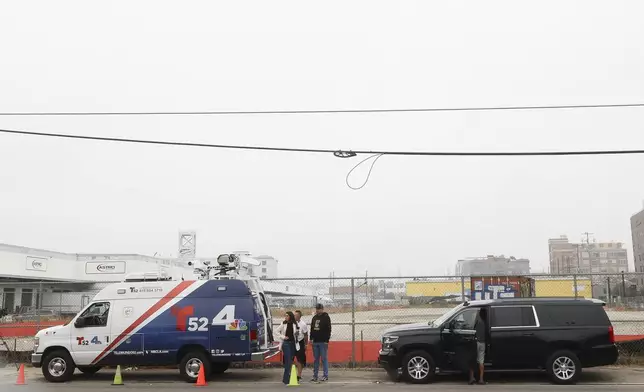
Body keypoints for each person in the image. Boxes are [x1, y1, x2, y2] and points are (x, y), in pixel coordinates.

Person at [276, 311, 301, 385]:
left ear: (290, 316)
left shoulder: (295, 324)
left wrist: (297, 334)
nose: (285, 317)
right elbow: (276, 331)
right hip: (286, 344)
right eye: (285, 316)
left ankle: (287, 378)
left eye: (287, 316)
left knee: (290, 360)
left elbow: (297, 335)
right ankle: (286, 380)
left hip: (293, 344)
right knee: (288, 361)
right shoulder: (283, 324)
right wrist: (283, 337)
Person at [309, 303, 331, 382]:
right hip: (315, 341)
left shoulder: (326, 317)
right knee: (316, 359)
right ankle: (315, 375)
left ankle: (325, 375)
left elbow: (329, 329)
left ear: (322, 309)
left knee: (324, 359)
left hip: (323, 342)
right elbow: (312, 328)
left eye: (319, 309)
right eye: (317, 309)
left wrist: (327, 340)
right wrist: (311, 338)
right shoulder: (314, 317)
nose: (318, 310)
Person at [469, 307, 489, 385]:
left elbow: (472, 327)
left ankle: (472, 378)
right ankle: (481, 379)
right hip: (483, 343)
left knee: (472, 360)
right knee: (481, 361)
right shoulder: (485, 322)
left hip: (476, 342)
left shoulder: (478, 320)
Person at [294, 310, 309, 381]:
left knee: (300, 360)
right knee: (290, 359)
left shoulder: (303, 324)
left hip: (300, 342)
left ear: (299, 316)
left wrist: (306, 344)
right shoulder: (291, 323)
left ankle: (299, 375)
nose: (294, 316)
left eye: (296, 315)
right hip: (292, 342)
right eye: (294, 315)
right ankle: (291, 373)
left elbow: (306, 335)